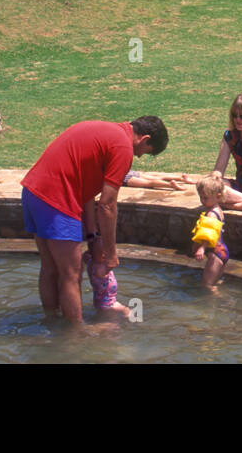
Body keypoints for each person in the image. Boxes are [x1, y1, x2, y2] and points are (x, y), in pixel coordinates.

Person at [21, 117, 168, 323]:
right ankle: (76, 335)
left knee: (50, 267)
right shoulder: (122, 147)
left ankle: (52, 323)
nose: (140, 156)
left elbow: (88, 190)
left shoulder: (105, 131)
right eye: (146, 151)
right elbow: (107, 206)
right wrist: (111, 254)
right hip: (57, 199)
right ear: (145, 139)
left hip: (33, 192)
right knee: (72, 273)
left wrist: (92, 235)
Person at [80, 198, 132, 320]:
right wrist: (112, 251)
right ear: (104, 255)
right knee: (127, 312)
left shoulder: (91, 263)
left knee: (108, 320)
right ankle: (135, 322)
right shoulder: (101, 269)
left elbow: (86, 254)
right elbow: (114, 263)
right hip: (109, 304)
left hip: (99, 303)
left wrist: (92, 243)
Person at [191, 172, 229, 289]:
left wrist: (201, 249)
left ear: (218, 196)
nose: (202, 200)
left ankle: (220, 301)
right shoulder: (218, 210)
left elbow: (209, 234)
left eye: (205, 198)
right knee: (215, 282)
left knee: (207, 286)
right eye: (201, 197)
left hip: (214, 254)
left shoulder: (211, 214)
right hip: (222, 251)